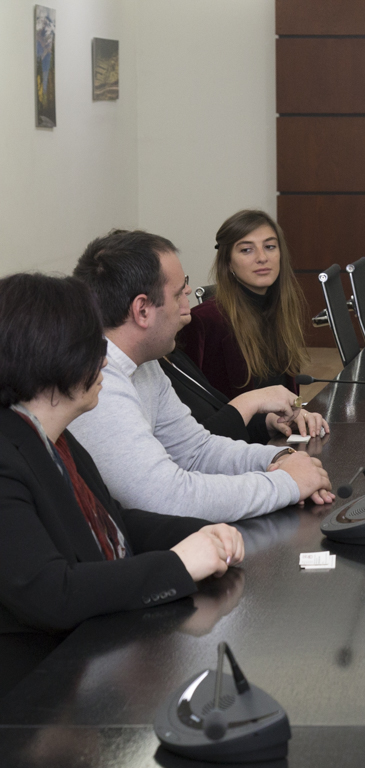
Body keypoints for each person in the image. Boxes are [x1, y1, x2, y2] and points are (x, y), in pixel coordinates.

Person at [0, 273, 245, 696]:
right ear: (50, 354)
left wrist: (202, 532)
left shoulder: (54, 437)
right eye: (91, 347)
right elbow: (51, 593)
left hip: (95, 656)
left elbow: (116, 521)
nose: (104, 361)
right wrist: (178, 565)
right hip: (38, 691)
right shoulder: (7, 455)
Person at [70, 229, 336, 522]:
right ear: (142, 310)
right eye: (178, 294)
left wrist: (277, 458)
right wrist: (286, 483)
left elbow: (196, 451)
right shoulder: (97, 382)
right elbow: (167, 498)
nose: (187, 301)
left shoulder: (144, 363)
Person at [179, 210, 310, 402]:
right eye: (246, 250)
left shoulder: (283, 308)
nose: (262, 257)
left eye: (270, 247)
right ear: (228, 262)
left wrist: (298, 413)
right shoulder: (203, 322)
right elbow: (195, 405)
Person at [160, 348, 328, 444]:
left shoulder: (173, 356)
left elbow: (223, 424)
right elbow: (193, 450)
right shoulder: (154, 374)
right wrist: (252, 401)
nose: (186, 297)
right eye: (176, 297)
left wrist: (268, 422)